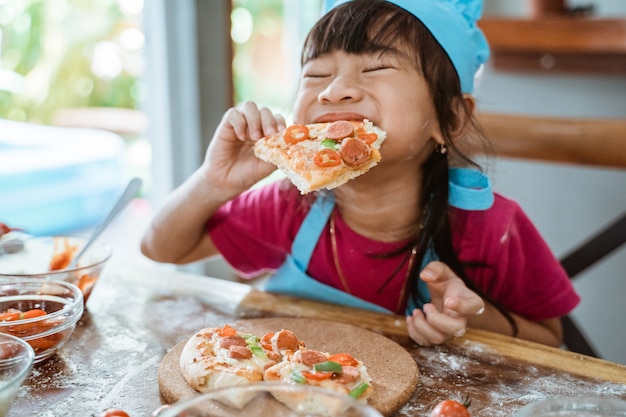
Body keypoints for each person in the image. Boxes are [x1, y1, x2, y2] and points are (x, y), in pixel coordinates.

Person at [141, 0, 579, 348]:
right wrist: (214, 181)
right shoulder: (290, 205)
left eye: (376, 67)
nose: (334, 90)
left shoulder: (491, 228)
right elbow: (160, 247)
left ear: (449, 118)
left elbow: (550, 335)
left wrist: (475, 319)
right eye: (316, 74)